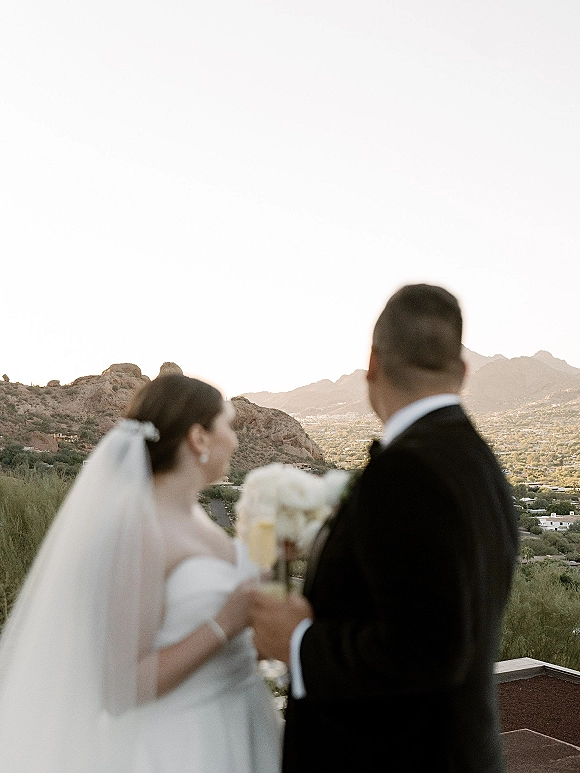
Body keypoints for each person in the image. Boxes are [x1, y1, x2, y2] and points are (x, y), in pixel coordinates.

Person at [251, 284, 519, 773]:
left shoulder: (407, 471)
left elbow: (426, 648)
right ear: (461, 372)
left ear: (372, 364)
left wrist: (298, 642)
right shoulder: (482, 465)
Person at [0, 373, 281, 773]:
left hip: (244, 721)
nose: (235, 440)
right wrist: (224, 623)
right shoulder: (136, 533)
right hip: (187, 744)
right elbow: (119, 688)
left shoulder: (199, 518)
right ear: (199, 438)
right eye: (228, 426)